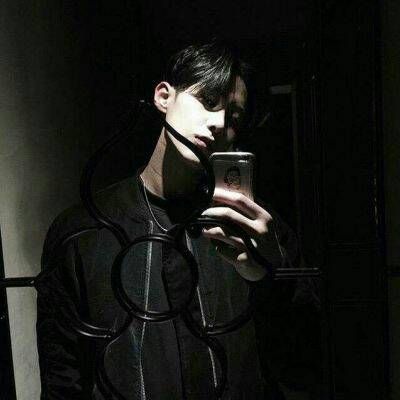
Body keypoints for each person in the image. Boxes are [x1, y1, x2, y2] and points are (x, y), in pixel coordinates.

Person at [37, 40, 301, 399]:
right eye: (208, 100)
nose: (219, 122)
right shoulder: (84, 229)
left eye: (234, 117)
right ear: (164, 97)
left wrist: (271, 274)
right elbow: (62, 374)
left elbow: (297, 354)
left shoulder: (255, 228)